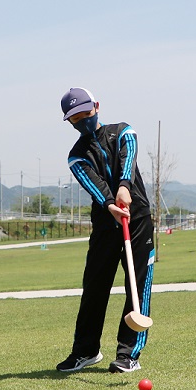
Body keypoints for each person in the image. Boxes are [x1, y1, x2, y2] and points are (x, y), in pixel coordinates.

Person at [56, 87, 155, 374]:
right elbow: (95, 185)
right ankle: (86, 351)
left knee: (137, 286)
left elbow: (129, 158)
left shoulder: (123, 132)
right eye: (75, 118)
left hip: (136, 221)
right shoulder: (76, 156)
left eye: (86, 113)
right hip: (105, 225)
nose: (82, 120)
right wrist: (111, 203)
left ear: (97, 106)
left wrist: (125, 187)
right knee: (94, 288)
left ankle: (129, 354)